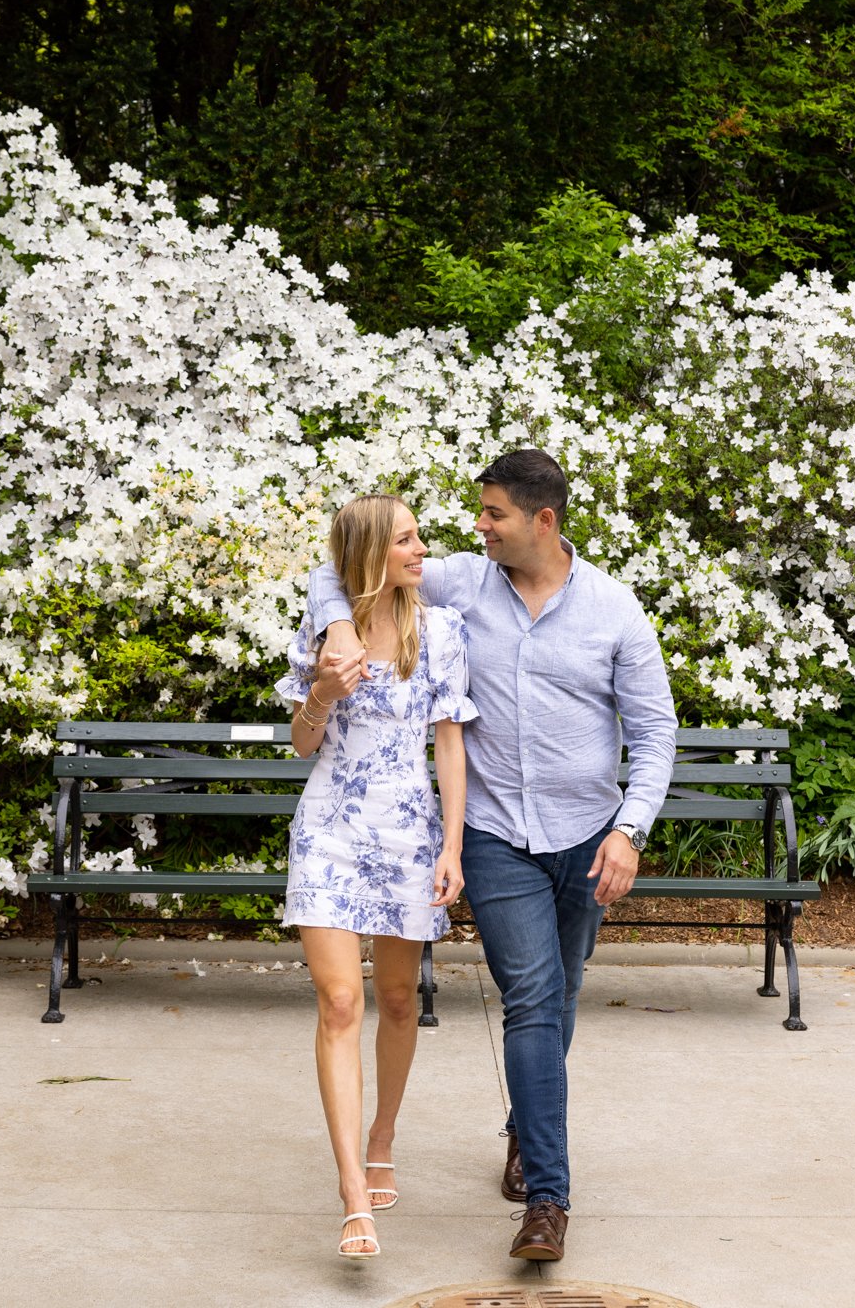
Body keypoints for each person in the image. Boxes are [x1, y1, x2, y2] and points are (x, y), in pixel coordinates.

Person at [308, 448, 677, 1264]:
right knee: (535, 998)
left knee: (563, 991)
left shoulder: (614, 611)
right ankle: (547, 1199)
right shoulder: (460, 585)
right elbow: (347, 559)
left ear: (541, 522)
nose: (477, 527)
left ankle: (523, 1127)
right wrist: (337, 625)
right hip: (495, 834)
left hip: (587, 835)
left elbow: (653, 733)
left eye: (493, 515)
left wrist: (631, 829)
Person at [278, 493, 475, 1261]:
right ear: (369, 552)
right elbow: (301, 745)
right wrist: (324, 691)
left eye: (418, 537)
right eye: (406, 540)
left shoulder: (442, 632)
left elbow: (450, 746)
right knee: (339, 1001)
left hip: (408, 833)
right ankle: (352, 1196)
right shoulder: (328, 630)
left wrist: (450, 847)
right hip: (328, 826)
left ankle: (382, 1133)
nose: (421, 549)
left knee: (397, 1000)